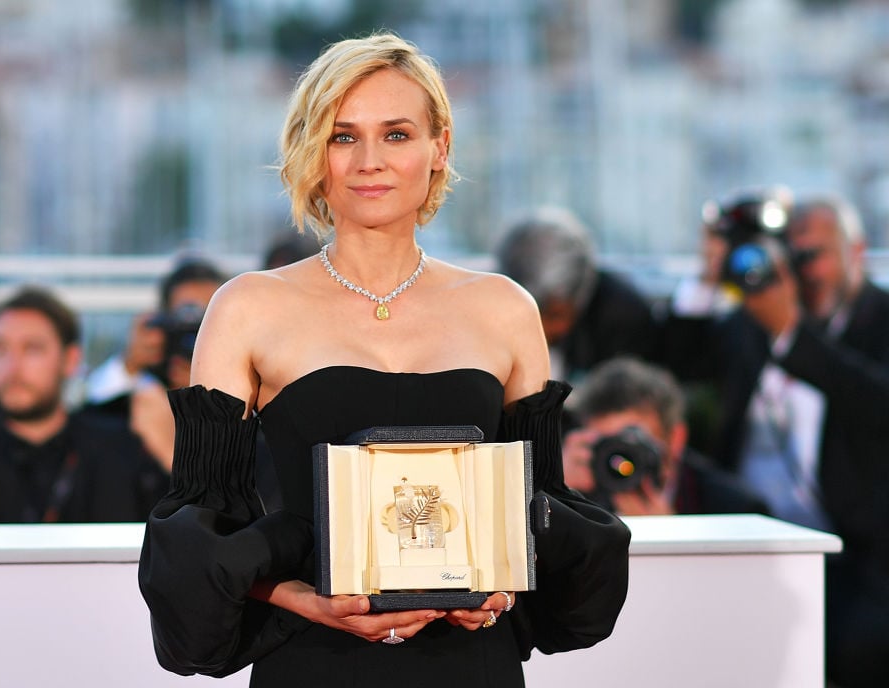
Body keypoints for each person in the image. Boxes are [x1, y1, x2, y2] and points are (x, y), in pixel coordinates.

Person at [138, 33, 630, 687]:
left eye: (396, 134)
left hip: (469, 662)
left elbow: (532, 510)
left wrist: (500, 591)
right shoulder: (247, 308)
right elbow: (204, 530)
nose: (370, 160)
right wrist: (303, 599)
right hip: (314, 659)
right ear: (314, 154)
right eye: (344, 136)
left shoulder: (504, 308)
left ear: (439, 148)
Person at [663, 190, 889, 687]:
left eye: (814, 255)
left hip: (857, 550)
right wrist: (708, 278)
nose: (803, 271)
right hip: (749, 531)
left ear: (856, 252)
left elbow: (876, 401)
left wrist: (791, 334)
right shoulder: (753, 321)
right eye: (791, 255)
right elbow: (675, 364)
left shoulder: (878, 319)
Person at [0, 286, 167, 524]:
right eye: (1, 349)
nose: (13, 366)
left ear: (70, 359)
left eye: (32, 349)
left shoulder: (119, 447)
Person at [561, 356, 767, 517]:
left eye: (633, 439)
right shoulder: (577, 493)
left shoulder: (734, 510)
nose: (620, 459)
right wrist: (558, 493)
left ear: (676, 439)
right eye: (607, 445)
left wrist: (672, 538)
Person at [86, 256, 227, 472]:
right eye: (184, 320)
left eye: (207, 320)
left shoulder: (246, 387)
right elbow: (90, 410)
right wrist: (130, 364)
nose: (195, 336)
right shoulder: (144, 392)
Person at [495, 207, 661, 383]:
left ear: (583, 294)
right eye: (531, 312)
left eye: (554, 314)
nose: (542, 327)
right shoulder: (482, 315)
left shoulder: (624, 319)